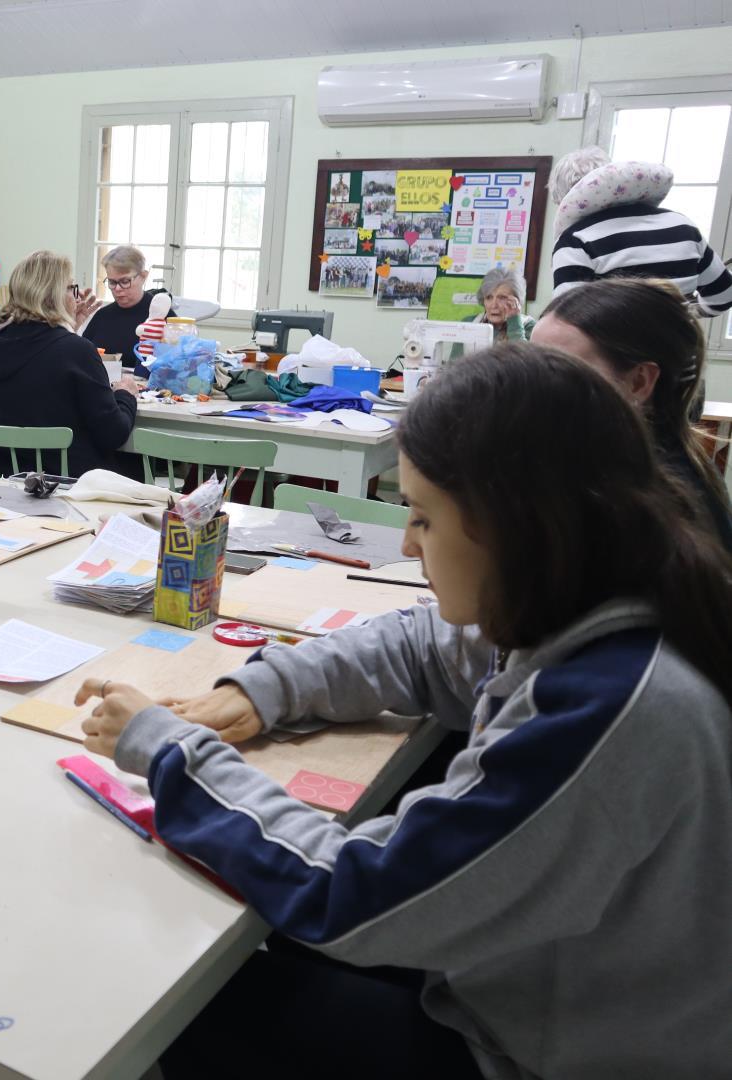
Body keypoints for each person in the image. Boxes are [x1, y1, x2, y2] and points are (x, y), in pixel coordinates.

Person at [74, 343, 732, 1079]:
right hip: (516, 985)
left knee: (182, 1002)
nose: (410, 545)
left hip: (527, 1052)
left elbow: (350, 895)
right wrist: (256, 693)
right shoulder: (595, 601)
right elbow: (422, 646)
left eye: (421, 517)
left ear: (515, 524)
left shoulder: (607, 709)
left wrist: (169, 752)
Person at [532, 276, 732, 550]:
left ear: (639, 382)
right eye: (531, 362)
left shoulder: (648, 504)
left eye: (559, 370)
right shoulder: (606, 461)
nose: (531, 384)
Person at [0, 250, 140, 477]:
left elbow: (43, 358)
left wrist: (69, 327)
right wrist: (125, 395)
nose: (77, 297)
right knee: (138, 465)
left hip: (7, 477)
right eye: (72, 289)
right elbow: (113, 433)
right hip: (64, 483)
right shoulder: (76, 350)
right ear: (53, 295)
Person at [549, 146, 732, 314]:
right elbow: (723, 297)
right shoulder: (682, 225)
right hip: (677, 347)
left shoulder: (575, 240)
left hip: (611, 349)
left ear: (563, 198)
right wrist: (686, 314)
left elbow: (567, 319)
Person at [78, 244, 174, 362]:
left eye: (124, 281)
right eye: (112, 282)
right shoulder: (102, 316)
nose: (117, 289)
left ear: (143, 276)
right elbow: (81, 358)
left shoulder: (162, 315)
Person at [469, 265, 534, 341]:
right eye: (489, 297)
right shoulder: (470, 322)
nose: (494, 305)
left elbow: (523, 353)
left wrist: (514, 322)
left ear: (517, 301)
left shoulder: (529, 326)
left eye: (502, 298)